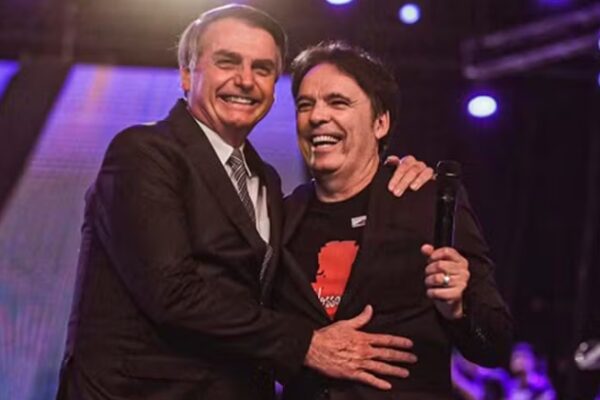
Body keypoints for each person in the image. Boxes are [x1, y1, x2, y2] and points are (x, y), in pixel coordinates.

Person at [55, 5, 433, 400]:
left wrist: (388, 175)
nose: (246, 80)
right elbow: (172, 294)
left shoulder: (266, 180)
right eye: (227, 62)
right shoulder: (143, 153)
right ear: (187, 74)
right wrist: (307, 344)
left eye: (263, 69)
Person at [273, 41, 514, 399]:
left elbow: (494, 345)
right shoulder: (279, 217)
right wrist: (303, 346)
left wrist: (458, 307)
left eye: (338, 102)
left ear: (380, 122)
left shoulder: (428, 203)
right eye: (305, 105)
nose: (317, 116)